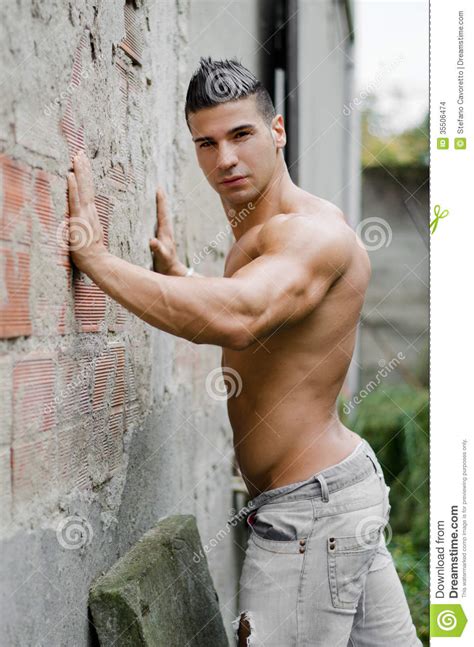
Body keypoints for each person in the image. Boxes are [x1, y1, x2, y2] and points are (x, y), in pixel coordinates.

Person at [67, 57, 422, 646]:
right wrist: (178, 277)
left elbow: (239, 316)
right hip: (332, 501)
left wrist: (98, 260)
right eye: (205, 143)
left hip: (311, 516)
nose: (224, 159)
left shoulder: (312, 233)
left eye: (241, 135)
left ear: (277, 131)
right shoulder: (262, 230)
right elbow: (266, 327)